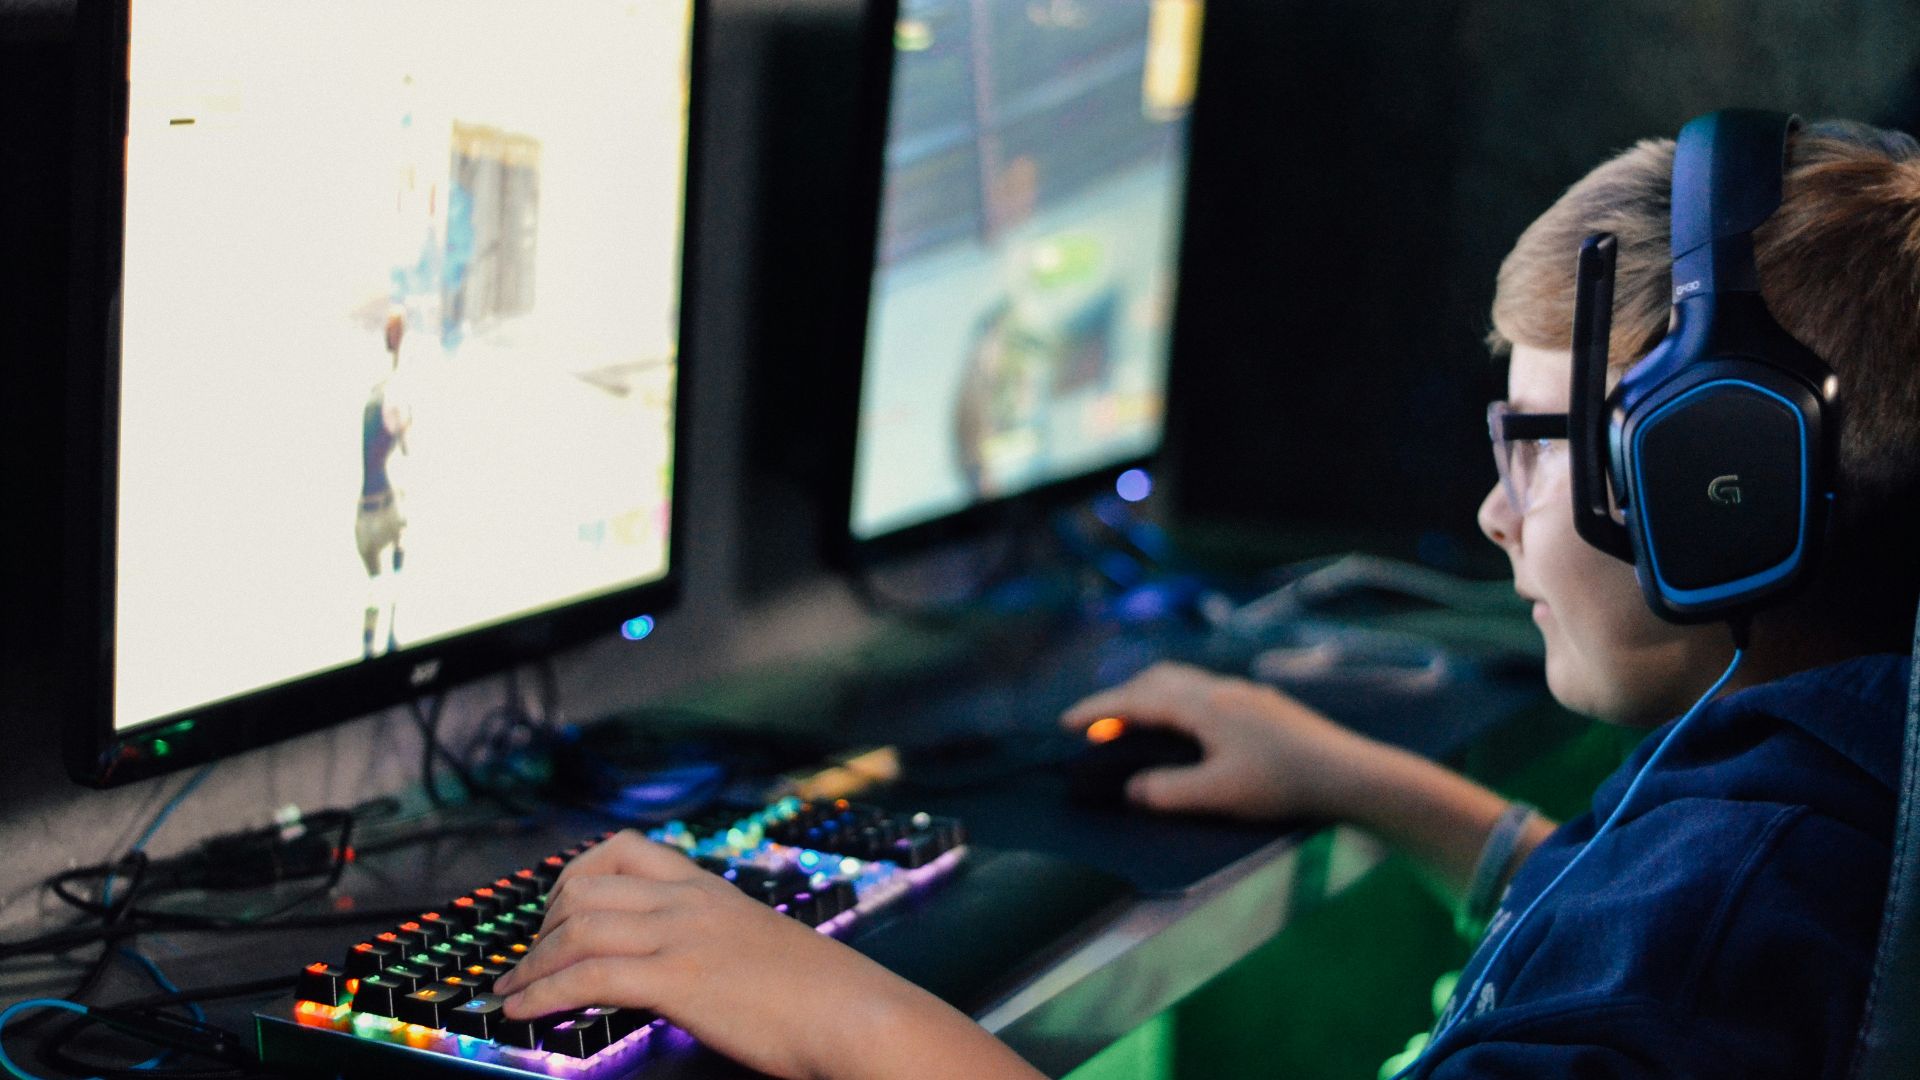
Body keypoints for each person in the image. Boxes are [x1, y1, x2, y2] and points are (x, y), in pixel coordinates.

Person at [487, 117, 1920, 1079]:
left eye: (1540, 449)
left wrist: (829, 1012)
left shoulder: (1740, 889)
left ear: (1727, 477)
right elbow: (1597, 916)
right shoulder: (1815, 769)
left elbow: (1652, 964)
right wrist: (1351, 776)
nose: (1494, 512)